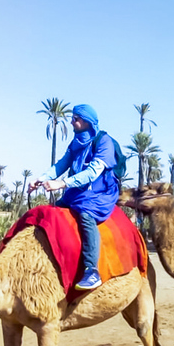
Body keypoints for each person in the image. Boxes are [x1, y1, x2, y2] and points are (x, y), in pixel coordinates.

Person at [28, 104, 120, 290]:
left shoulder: (104, 142)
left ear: (86, 121)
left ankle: (91, 270)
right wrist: (42, 178)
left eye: (75, 118)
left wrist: (62, 184)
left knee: (85, 215)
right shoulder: (76, 142)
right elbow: (61, 165)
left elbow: (93, 172)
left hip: (99, 192)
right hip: (77, 191)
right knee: (53, 213)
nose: (71, 122)